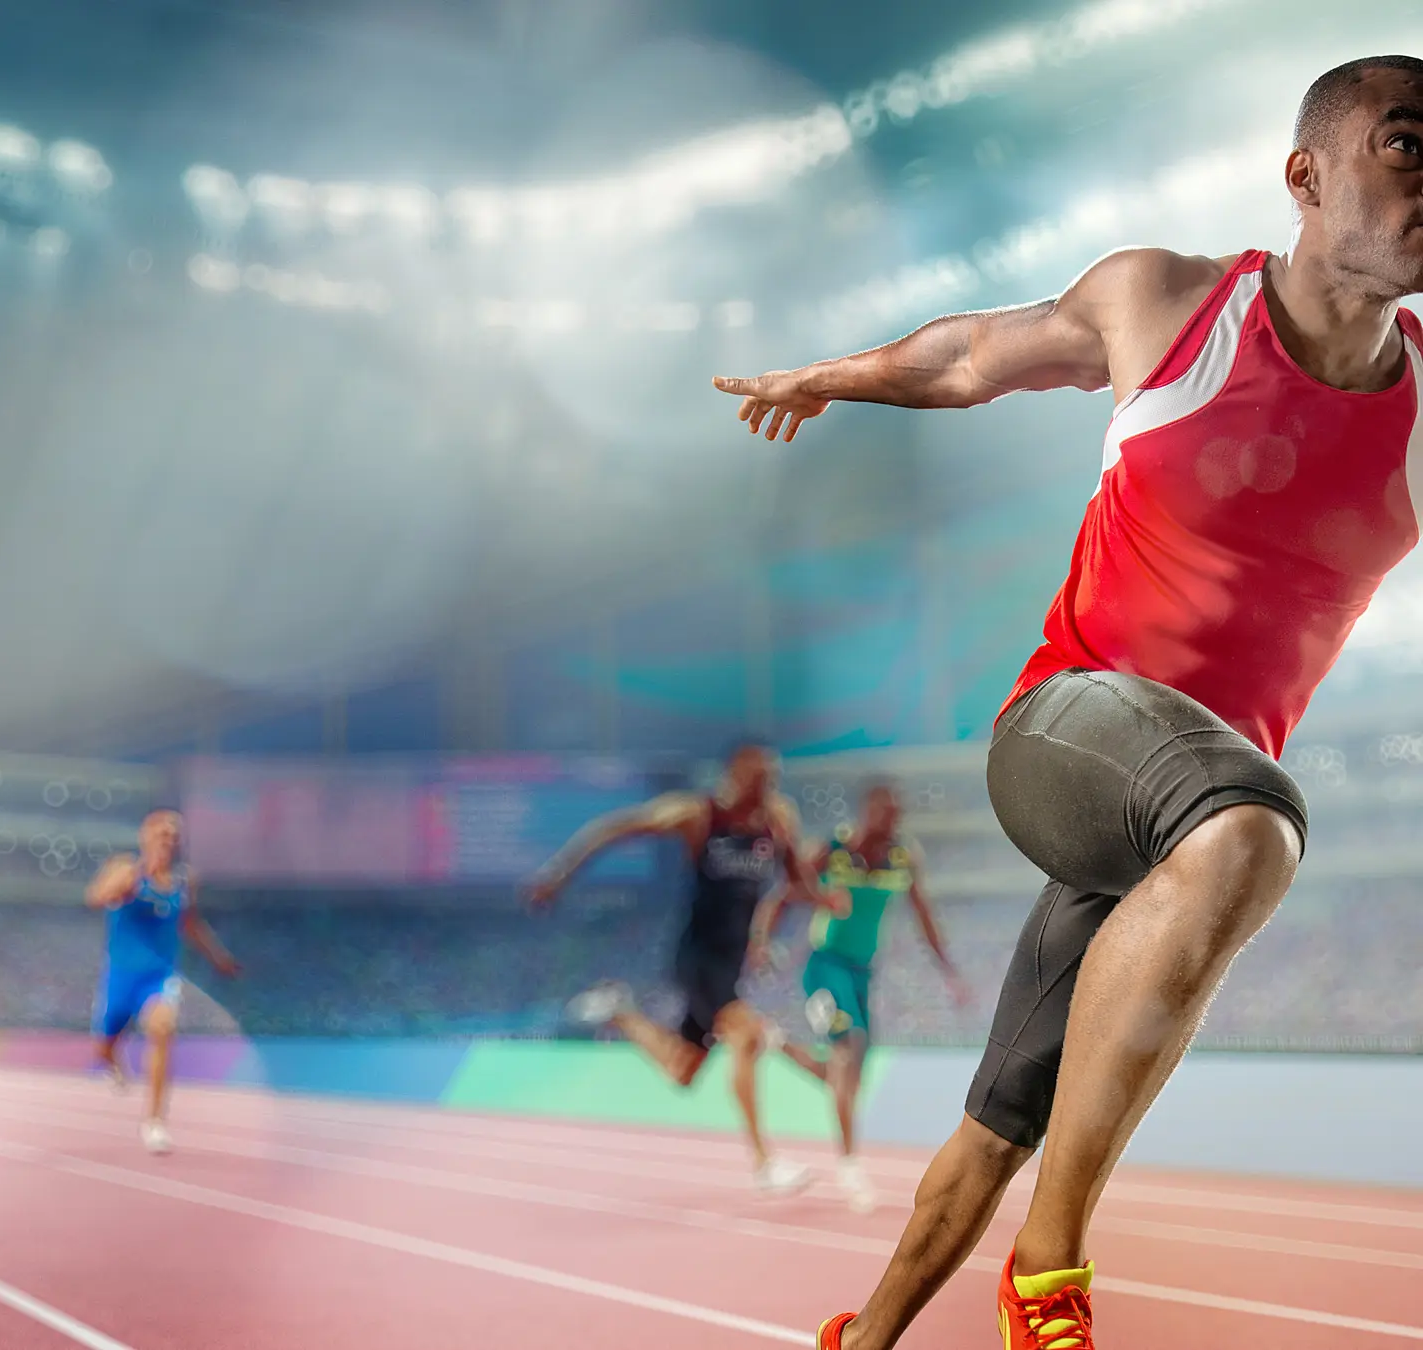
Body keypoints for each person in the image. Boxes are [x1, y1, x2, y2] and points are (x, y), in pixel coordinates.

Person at [713, 54, 1423, 1350]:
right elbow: (974, 353)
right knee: (1254, 828)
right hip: (1069, 729)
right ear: (1307, 177)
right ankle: (1051, 1271)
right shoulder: (1173, 304)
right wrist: (827, 375)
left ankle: (863, 1334)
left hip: (1173, 820)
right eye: (1409, 143)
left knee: (1000, 1117)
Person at [526, 739, 847, 1192]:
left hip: (731, 965)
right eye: (758, 779)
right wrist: (559, 873)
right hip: (697, 959)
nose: (768, 788)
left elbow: (797, 877)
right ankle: (764, 1164)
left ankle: (621, 1011)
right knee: (749, 1036)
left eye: (772, 779)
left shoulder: (778, 820)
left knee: (683, 1070)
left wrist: (823, 898)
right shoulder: (697, 815)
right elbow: (617, 829)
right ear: (733, 775)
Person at [753, 783, 972, 1214]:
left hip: (862, 974)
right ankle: (850, 1165)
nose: (892, 821)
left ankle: (777, 1042)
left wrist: (948, 971)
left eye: (897, 813)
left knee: (849, 1076)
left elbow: (923, 913)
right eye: (884, 812)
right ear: (866, 811)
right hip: (824, 966)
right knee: (847, 1047)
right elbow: (785, 895)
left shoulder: (903, 857)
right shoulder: (831, 851)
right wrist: (761, 940)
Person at [85, 809, 239, 1153]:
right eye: (161, 833)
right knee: (103, 1046)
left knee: (162, 1028)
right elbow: (94, 898)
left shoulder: (185, 882)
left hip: (159, 976)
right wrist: (119, 886)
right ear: (145, 836)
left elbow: (190, 924)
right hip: (121, 976)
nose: (168, 840)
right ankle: (112, 1061)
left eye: (174, 835)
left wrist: (219, 957)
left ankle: (154, 1122)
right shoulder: (126, 869)